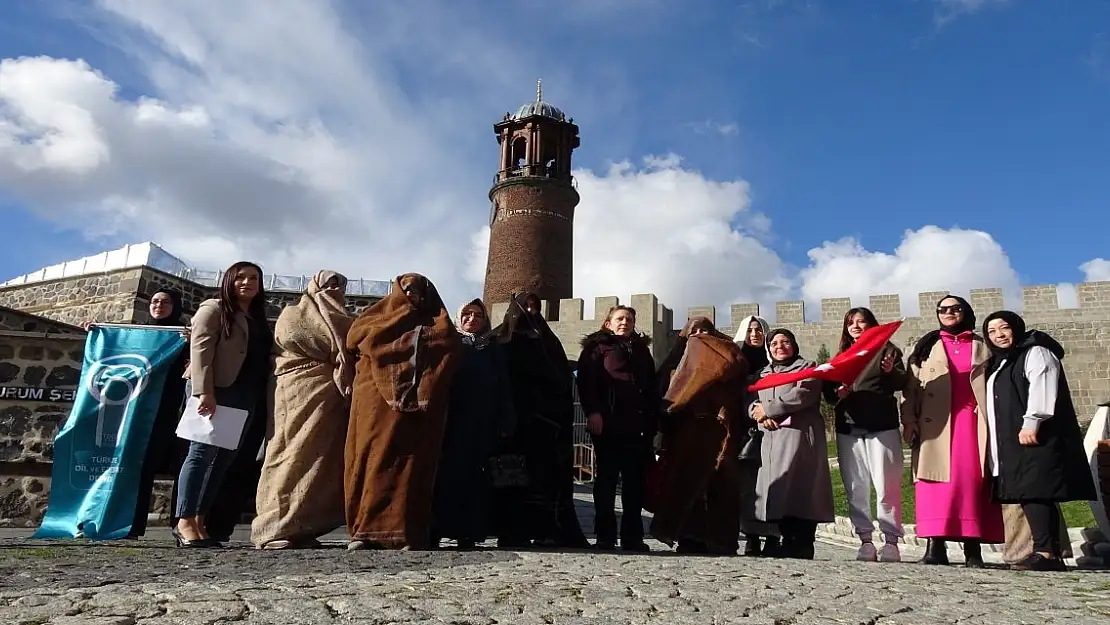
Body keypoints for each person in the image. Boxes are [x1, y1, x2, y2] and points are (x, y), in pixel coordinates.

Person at [344, 274, 462, 551]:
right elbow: (356, 344)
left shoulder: (439, 325)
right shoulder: (372, 320)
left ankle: (407, 533)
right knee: (373, 461)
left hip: (421, 414)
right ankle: (364, 531)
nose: (413, 295)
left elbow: (451, 352)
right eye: (407, 289)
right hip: (376, 409)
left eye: (419, 291)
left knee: (412, 468)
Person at [982, 310, 1097, 571]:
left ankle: (1046, 552)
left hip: (1033, 433)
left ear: (1016, 328)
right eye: (991, 331)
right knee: (1029, 492)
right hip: (1011, 438)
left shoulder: (1036, 352)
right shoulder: (1002, 361)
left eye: (1004, 328)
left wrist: (1032, 421)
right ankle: (1048, 552)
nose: (999, 335)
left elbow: (1042, 385)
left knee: (1037, 491)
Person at [251, 271, 354, 549]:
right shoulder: (292, 313)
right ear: (315, 285)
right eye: (328, 283)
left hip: (328, 399)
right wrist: (336, 351)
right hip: (296, 392)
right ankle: (273, 526)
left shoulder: (345, 318)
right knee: (289, 452)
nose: (333, 288)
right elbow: (297, 337)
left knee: (319, 461)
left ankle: (305, 525)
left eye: (339, 285)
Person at [174, 262, 273, 548]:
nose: (247, 282)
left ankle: (200, 521)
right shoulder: (214, 309)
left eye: (254, 278)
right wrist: (204, 391)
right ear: (229, 281)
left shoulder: (256, 317)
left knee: (223, 462)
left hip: (245, 394)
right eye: (240, 277)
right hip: (216, 391)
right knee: (200, 455)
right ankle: (184, 521)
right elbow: (201, 350)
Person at [902, 295, 1003, 567]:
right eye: (942, 310)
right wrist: (909, 420)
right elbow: (911, 389)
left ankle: (973, 550)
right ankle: (935, 547)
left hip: (972, 423)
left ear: (965, 312)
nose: (948, 313)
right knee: (933, 484)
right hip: (934, 425)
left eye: (955, 308)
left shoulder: (983, 346)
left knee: (970, 483)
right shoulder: (926, 347)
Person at [493, 292, 590, 549]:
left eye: (534, 305)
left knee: (547, 482)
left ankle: (550, 530)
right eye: (525, 305)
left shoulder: (549, 341)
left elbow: (561, 379)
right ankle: (513, 531)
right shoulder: (501, 339)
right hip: (515, 426)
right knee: (514, 481)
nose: (530, 309)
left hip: (548, 426)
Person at [650, 317, 747, 555]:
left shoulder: (730, 356)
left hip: (718, 431)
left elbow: (735, 385)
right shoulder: (675, 364)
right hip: (686, 433)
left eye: (706, 331)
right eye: (695, 331)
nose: (701, 336)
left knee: (722, 485)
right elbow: (664, 394)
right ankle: (689, 537)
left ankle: (722, 540)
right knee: (685, 482)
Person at [823, 307, 907, 563]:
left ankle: (891, 541)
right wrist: (838, 394)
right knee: (855, 486)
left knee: (886, 485)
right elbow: (828, 395)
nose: (856, 326)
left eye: (862, 322)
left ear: (872, 324)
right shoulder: (841, 356)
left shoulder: (888, 350)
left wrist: (891, 371)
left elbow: (902, 383)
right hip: (849, 427)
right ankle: (866, 540)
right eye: (851, 322)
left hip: (882, 425)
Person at [432, 298, 516, 549]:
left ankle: (468, 533)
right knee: (445, 478)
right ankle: (436, 529)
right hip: (451, 423)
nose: (472, 319)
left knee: (475, 481)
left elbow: (503, 386)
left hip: (482, 424)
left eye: (478, 315)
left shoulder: (492, 349)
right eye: (467, 314)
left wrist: (505, 419)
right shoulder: (448, 344)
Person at [577, 305, 657, 552]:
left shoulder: (642, 350)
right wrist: (593, 411)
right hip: (609, 425)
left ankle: (633, 537)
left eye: (629, 319)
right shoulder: (597, 349)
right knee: (606, 482)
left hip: (637, 426)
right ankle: (605, 536)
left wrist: (652, 422)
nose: (625, 322)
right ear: (608, 323)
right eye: (620, 318)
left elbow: (651, 387)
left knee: (634, 484)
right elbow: (587, 382)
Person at [749, 328, 835, 560]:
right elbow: (751, 400)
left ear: (794, 345)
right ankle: (786, 540)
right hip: (772, 439)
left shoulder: (808, 369)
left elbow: (803, 394)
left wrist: (769, 408)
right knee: (781, 491)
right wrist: (760, 415)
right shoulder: (762, 374)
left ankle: (804, 542)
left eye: (785, 342)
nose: (780, 346)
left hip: (800, 437)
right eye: (774, 343)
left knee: (803, 491)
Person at [732, 314, 780, 556]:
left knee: (772, 484)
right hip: (742, 429)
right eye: (750, 330)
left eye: (759, 330)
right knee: (748, 487)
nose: (754, 334)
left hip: (772, 427)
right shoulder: (734, 361)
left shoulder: (775, 363)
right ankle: (751, 536)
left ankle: (772, 536)